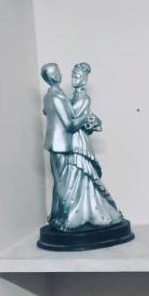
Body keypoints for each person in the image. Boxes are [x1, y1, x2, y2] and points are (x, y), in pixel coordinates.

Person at [41, 62, 125, 232]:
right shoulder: (56, 96)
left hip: (72, 143)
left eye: (77, 76)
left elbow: (54, 113)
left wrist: (87, 120)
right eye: (73, 75)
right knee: (66, 182)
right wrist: (86, 118)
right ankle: (65, 216)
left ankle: (70, 215)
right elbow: (70, 123)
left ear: (85, 79)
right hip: (64, 144)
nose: (71, 78)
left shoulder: (71, 97)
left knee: (72, 179)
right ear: (54, 76)